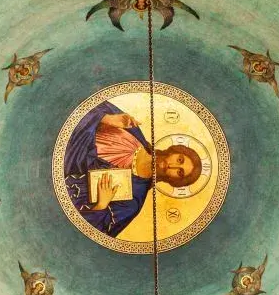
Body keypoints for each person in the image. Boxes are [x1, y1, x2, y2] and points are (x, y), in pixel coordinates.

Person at [63, 102, 203, 237]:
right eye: (179, 160)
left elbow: (91, 234)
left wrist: (101, 204)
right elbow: (86, 105)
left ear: (174, 180)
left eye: (179, 172)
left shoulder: (133, 200)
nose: (172, 166)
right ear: (174, 151)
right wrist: (105, 119)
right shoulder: (132, 130)